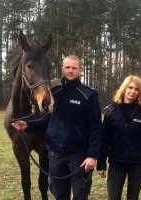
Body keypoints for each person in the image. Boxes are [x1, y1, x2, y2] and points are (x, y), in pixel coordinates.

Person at [11, 55, 103, 200]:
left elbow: (96, 127)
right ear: (62, 69)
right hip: (55, 155)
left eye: (74, 68)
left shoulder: (89, 95)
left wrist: (92, 155)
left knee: (80, 195)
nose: (70, 71)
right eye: (68, 67)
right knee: (59, 195)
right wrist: (28, 125)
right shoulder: (55, 92)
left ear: (80, 70)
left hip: (79, 156)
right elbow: (49, 119)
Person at [97, 75, 141, 200]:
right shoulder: (110, 111)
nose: (133, 91)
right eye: (130, 87)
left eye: (136, 89)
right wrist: (101, 164)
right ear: (124, 88)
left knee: (133, 197)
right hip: (117, 162)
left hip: (138, 163)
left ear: (140, 92)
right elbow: (104, 139)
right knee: (113, 197)